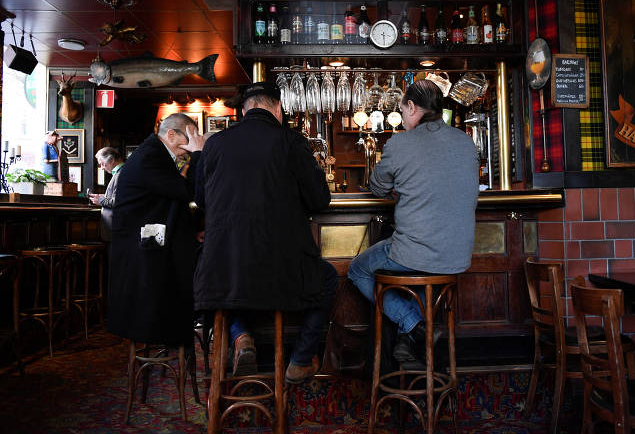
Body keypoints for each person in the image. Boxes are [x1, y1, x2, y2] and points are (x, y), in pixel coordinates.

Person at [193, 82, 336, 383]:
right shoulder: (291, 141)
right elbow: (319, 200)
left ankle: (242, 336)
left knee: (228, 285)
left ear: (244, 110)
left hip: (222, 268)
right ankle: (299, 360)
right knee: (327, 277)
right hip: (282, 270)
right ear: (277, 108)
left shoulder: (214, 144)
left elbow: (202, 201)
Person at [347, 79, 480, 365]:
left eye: (403, 110)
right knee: (419, 276)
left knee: (358, 270)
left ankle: (416, 327)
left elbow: (378, 187)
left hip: (415, 252)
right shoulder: (465, 141)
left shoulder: (400, 143)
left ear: (410, 106)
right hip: (457, 256)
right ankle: (408, 343)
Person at [107, 113, 206, 346]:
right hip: (141, 252)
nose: (190, 145)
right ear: (171, 134)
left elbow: (168, 201)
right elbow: (187, 192)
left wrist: (192, 231)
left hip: (148, 244)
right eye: (190, 137)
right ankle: (177, 332)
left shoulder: (155, 153)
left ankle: (178, 329)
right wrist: (198, 153)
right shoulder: (151, 156)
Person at [89, 147, 124, 242]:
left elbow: (119, 201)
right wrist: (104, 196)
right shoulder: (119, 173)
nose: (102, 168)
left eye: (102, 164)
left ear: (112, 160)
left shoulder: (121, 174)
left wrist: (100, 200)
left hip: (116, 228)